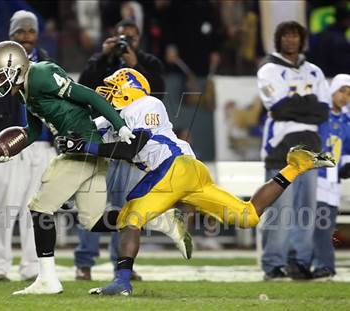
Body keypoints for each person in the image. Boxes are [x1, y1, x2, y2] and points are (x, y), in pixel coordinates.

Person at [56, 67, 335, 295]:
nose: (108, 94)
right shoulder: (113, 118)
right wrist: (71, 136)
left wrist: (86, 147)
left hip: (173, 167)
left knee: (131, 215)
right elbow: (90, 132)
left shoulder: (146, 104)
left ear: (129, 90)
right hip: (191, 173)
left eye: (114, 88)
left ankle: (122, 281)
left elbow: (132, 146)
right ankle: (295, 167)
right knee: (247, 216)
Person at [0, 41, 190, 295]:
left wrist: (120, 125)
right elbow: (35, 130)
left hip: (81, 147)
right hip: (86, 150)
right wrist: (12, 147)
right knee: (93, 221)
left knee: (39, 209)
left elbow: (89, 95)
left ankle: (47, 280)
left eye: (1, 75)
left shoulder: (42, 75)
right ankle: (162, 220)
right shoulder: (27, 88)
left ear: (16, 67)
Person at [0, 10, 56, 282]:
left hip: (41, 146)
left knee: (37, 209)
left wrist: (57, 140)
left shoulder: (48, 62)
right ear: (10, 34)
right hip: (8, 145)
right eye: (20, 31)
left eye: (30, 30)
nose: (26, 36)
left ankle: (32, 267)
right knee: (3, 209)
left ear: (37, 33)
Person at [74, 18, 165, 281]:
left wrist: (136, 63)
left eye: (131, 38)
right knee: (92, 205)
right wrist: (103, 56)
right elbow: (84, 87)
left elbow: (159, 92)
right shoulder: (103, 62)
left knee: (127, 210)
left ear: (139, 39)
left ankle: (123, 265)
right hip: (102, 142)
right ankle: (85, 263)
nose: (126, 43)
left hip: (131, 150)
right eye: (121, 38)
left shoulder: (149, 62)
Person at [257, 21, 331, 280]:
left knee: (305, 210)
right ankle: (273, 264)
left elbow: (323, 111)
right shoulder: (268, 69)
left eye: (295, 36)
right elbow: (278, 108)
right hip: (281, 148)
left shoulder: (314, 71)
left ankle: (299, 262)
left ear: (302, 40)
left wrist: (295, 103)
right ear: (279, 40)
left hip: (311, 149)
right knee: (280, 211)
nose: (291, 40)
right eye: (286, 36)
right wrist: (308, 103)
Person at [312, 74, 350, 279]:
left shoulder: (346, 120)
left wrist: (346, 165)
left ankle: (324, 265)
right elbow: (311, 143)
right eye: (342, 91)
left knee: (327, 226)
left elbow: (346, 148)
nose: (345, 97)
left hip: (333, 180)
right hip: (316, 176)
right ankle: (322, 265)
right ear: (332, 91)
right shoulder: (320, 115)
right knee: (320, 225)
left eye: (349, 94)